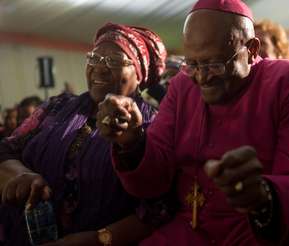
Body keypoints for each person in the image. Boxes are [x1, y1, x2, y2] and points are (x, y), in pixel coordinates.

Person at [97, 0, 289, 245]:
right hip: (189, 229)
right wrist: (132, 141)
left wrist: (263, 195)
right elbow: (155, 175)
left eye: (214, 64)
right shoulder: (182, 85)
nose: (201, 77)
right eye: (193, 64)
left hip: (258, 234)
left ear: (251, 49)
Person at [0, 22, 169, 246]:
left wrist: (99, 238)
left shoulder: (155, 125)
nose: (99, 67)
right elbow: (6, 149)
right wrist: (20, 174)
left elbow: (160, 208)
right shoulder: (56, 107)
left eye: (114, 61)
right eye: (94, 58)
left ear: (139, 75)